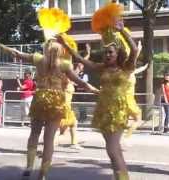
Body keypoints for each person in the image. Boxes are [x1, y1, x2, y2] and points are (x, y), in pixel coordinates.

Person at [0, 35, 98, 180]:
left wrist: (0, 45)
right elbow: (81, 82)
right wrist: (97, 91)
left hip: (40, 98)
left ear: (46, 49)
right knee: (49, 140)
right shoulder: (65, 65)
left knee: (34, 134)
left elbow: (17, 53)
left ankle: (29, 166)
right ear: (60, 51)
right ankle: (43, 174)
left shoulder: (39, 59)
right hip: (57, 102)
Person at [59, 18, 139, 180]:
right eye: (106, 52)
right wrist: (65, 44)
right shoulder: (101, 68)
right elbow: (80, 59)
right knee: (113, 151)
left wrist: (122, 31)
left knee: (112, 149)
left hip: (118, 112)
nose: (107, 54)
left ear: (118, 54)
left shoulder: (126, 67)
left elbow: (135, 49)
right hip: (103, 111)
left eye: (111, 52)